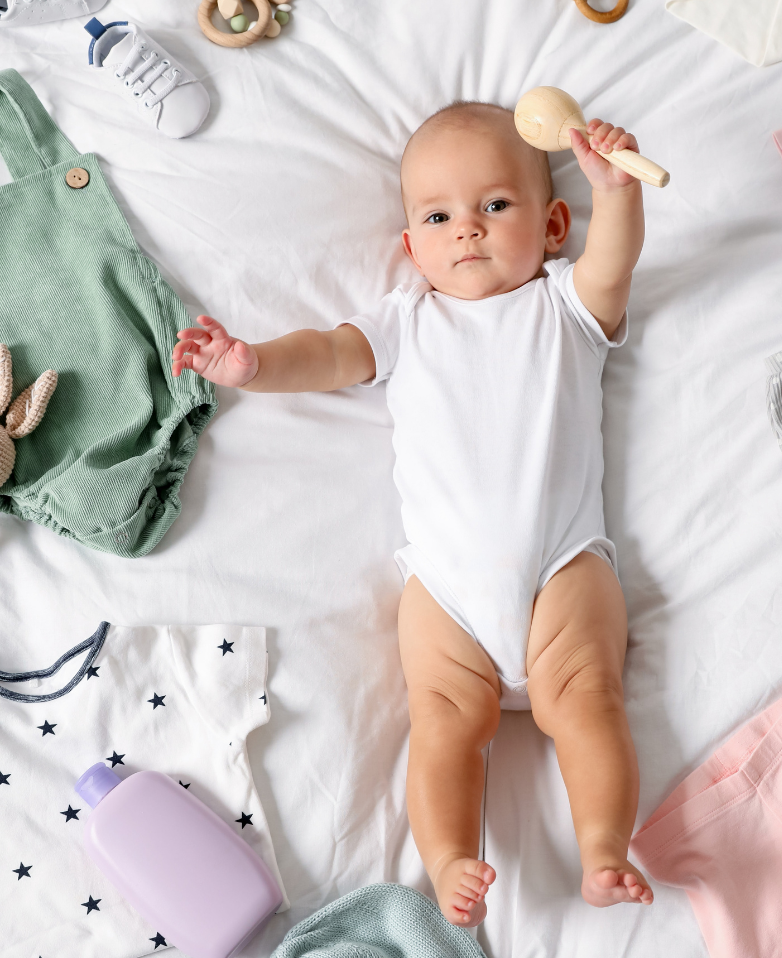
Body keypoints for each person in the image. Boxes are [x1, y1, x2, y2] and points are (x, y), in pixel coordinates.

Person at [172, 101, 653, 926]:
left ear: (552, 225)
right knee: (439, 722)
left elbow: (613, 265)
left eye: (495, 206)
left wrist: (619, 195)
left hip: (563, 567)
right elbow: (326, 353)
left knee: (589, 701)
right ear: (412, 248)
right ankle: (450, 857)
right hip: (446, 589)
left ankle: (604, 845)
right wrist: (251, 364)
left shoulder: (566, 303)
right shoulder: (406, 321)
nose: (466, 230)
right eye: (438, 216)